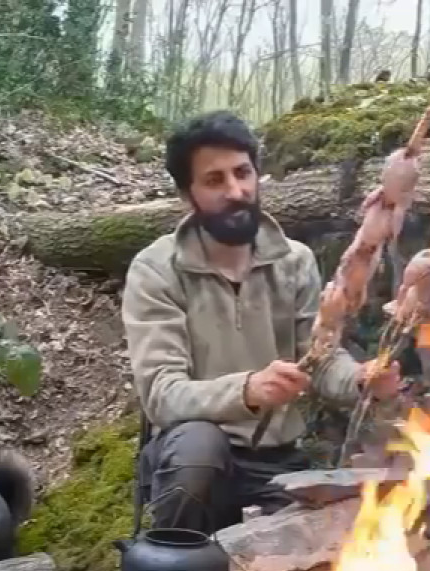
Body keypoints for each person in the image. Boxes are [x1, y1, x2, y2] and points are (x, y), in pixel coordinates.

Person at [122, 110, 401, 534]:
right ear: (187, 195)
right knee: (198, 447)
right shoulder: (156, 270)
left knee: (331, 550)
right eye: (215, 180)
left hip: (278, 458)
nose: (236, 191)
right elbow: (162, 395)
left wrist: (360, 380)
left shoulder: (294, 261)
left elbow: (320, 359)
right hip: (194, 460)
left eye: (243, 173)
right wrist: (248, 390)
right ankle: (177, 561)